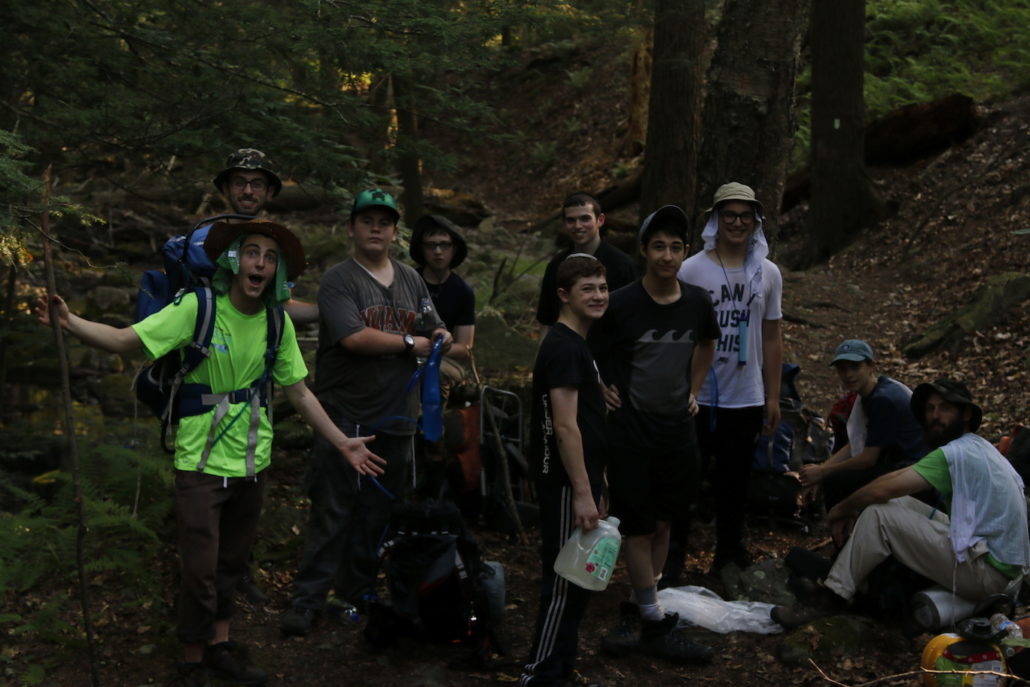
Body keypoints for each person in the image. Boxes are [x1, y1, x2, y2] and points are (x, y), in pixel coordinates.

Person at [36, 220, 385, 687]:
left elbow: (299, 392)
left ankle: (220, 647)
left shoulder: (275, 322)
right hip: (200, 462)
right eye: (252, 253)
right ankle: (191, 660)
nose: (259, 263)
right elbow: (125, 340)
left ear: (277, 272)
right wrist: (69, 322)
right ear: (234, 261)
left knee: (231, 565)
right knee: (199, 570)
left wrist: (341, 441)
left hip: (252, 461)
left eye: (270, 258)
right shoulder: (198, 309)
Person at [281, 189, 451, 635]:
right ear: (352, 228)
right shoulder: (339, 280)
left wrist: (441, 335)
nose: (376, 228)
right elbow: (353, 337)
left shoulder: (412, 279)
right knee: (332, 511)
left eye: (384, 222)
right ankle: (307, 600)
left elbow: (431, 324)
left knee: (379, 514)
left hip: (398, 417)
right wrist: (411, 343)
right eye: (367, 221)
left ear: (395, 232)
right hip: (345, 415)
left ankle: (354, 594)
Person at [772, 379, 1030, 629]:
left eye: (945, 408)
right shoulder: (978, 447)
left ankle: (832, 597)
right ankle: (857, 577)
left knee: (879, 515)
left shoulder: (957, 453)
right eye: (930, 409)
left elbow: (884, 488)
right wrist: (854, 505)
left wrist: (842, 509)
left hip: (989, 576)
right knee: (897, 503)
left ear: (965, 415)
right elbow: (895, 482)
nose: (935, 416)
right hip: (996, 567)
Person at [590, 206, 718, 663]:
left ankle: (643, 604)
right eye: (658, 246)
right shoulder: (621, 302)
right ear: (643, 250)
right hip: (632, 428)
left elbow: (707, 342)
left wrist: (694, 389)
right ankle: (651, 617)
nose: (667, 255)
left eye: (676, 247)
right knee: (638, 525)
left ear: (685, 253)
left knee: (665, 521)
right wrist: (601, 385)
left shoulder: (697, 302)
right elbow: (588, 346)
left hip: (677, 429)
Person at [675, 182, 783, 575]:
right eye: (729, 215)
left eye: (745, 216)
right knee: (686, 480)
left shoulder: (767, 272)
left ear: (756, 222)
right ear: (716, 220)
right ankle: (672, 559)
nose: (737, 223)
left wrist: (773, 396)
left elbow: (771, 336)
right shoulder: (691, 269)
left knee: (735, 483)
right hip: (697, 395)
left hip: (746, 396)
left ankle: (728, 557)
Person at [521, 254, 609, 687]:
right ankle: (537, 674)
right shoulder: (563, 347)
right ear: (564, 295)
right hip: (564, 484)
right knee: (560, 582)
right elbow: (564, 426)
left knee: (578, 580)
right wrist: (582, 491)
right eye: (587, 289)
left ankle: (561, 668)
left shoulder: (577, 344)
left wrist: (599, 482)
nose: (598, 296)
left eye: (602, 287)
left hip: (582, 480)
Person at [799, 339, 927, 510]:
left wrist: (823, 473)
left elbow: (868, 459)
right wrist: (820, 470)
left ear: (871, 366)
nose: (849, 374)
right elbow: (855, 444)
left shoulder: (882, 400)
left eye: (855, 367)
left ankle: (841, 522)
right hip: (895, 461)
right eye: (843, 369)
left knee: (835, 482)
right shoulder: (873, 391)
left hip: (910, 468)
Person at [206, 147, 319, 326]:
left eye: (257, 184)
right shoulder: (201, 241)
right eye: (239, 183)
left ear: (270, 192)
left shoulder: (277, 243)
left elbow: (281, 307)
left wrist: (329, 309)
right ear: (226, 188)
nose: (248, 191)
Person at [536, 192, 637, 336]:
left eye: (585, 219)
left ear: (600, 220)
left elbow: (633, 319)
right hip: (566, 346)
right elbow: (546, 320)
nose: (578, 226)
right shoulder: (556, 266)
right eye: (571, 220)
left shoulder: (623, 266)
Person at [409, 213, 476, 401]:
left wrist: (437, 348)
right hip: (408, 354)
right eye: (431, 245)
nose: (438, 251)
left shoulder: (462, 291)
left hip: (445, 360)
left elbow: (465, 348)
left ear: (454, 248)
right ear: (421, 249)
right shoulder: (408, 282)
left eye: (444, 245)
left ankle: (432, 420)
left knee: (434, 372)